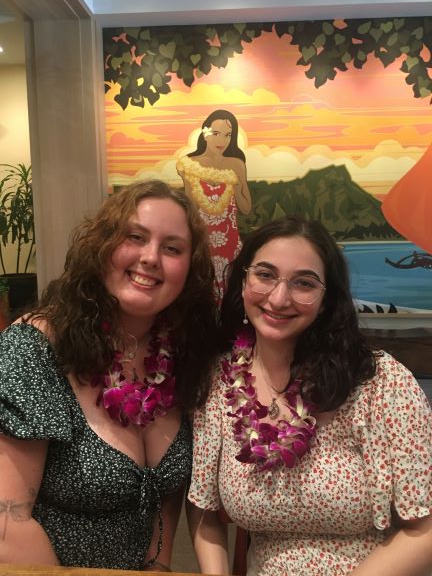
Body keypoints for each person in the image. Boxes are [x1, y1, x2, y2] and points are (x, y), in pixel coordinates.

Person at [187, 215, 432, 576]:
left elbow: (425, 529)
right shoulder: (220, 381)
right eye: (265, 274)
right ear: (243, 281)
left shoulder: (381, 382)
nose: (279, 298)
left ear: (326, 299)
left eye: (304, 282)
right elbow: (203, 510)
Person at [0, 180, 217, 571]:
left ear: (190, 269)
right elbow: (8, 525)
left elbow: (163, 494)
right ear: (102, 246)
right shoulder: (36, 347)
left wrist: (158, 568)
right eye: (135, 236)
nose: (151, 257)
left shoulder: (182, 353)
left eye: (172, 248)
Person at [176, 109, 252, 293]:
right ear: (205, 133)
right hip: (201, 242)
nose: (221, 140)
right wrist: (188, 181)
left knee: (231, 290)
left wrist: (235, 186)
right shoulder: (190, 163)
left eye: (227, 135)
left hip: (230, 241)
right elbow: (190, 209)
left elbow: (246, 208)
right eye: (216, 133)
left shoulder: (236, 164)